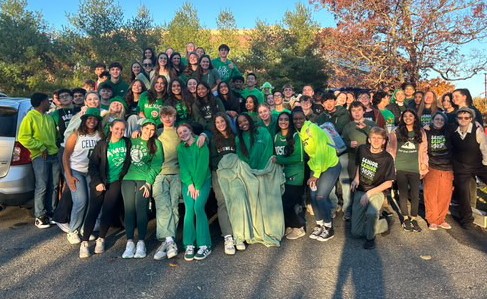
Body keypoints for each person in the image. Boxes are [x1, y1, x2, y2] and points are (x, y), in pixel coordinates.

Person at [79, 119, 131, 258]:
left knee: (108, 210)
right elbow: (93, 165)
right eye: (117, 129)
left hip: (116, 181)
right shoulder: (102, 144)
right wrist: (97, 182)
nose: (119, 132)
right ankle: (84, 242)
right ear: (111, 128)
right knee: (93, 210)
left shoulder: (127, 142)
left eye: (122, 129)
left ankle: (101, 238)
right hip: (100, 180)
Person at [293, 108, 341, 241]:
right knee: (313, 196)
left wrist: (315, 175)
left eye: (300, 118)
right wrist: (314, 172)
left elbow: (320, 152)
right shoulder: (300, 132)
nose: (298, 120)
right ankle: (320, 224)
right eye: (295, 119)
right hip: (316, 167)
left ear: (305, 117)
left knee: (321, 196)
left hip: (330, 165)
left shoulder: (312, 129)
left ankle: (328, 227)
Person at [121, 119, 163, 259]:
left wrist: (149, 182)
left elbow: (157, 164)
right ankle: (129, 242)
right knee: (129, 209)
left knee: (141, 209)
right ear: (142, 128)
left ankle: (141, 242)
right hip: (127, 177)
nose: (149, 132)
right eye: (147, 129)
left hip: (143, 179)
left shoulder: (156, 143)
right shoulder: (133, 140)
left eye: (152, 130)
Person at [18, 92, 60, 228]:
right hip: (40, 157)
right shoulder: (29, 117)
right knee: (42, 186)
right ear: (42, 102)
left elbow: (55, 136)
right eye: (47, 101)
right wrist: (40, 147)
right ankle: (40, 216)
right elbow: (23, 137)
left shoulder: (49, 118)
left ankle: (51, 212)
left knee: (53, 185)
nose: (49, 103)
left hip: (54, 155)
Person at [350, 127, 395, 249]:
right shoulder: (362, 149)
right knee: (355, 233)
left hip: (377, 190)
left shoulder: (387, 158)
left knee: (371, 213)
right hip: (361, 189)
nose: (376, 140)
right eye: (373, 138)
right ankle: (381, 224)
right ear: (369, 139)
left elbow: (388, 183)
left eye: (379, 138)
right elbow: (360, 164)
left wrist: (369, 193)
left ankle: (371, 237)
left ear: (384, 141)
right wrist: (356, 179)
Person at [63, 108, 103, 244]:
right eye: (89, 118)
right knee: (81, 200)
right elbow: (66, 155)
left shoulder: (100, 135)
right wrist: (68, 176)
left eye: (95, 119)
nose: (92, 121)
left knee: (92, 200)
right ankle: (73, 230)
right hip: (76, 170)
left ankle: (84, 229)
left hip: (91, 172)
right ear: (84, 120)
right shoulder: (76, 134)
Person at [386, 109, 428, 232]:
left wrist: (424, 164)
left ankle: (414, 218)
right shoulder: (396, 131)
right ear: (402, 118)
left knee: (415, 195)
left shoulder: (421, 132)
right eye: (405, 116)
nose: (408, 118)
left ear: (415, 118)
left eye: (411, 115)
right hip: (400, 167)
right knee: (403, 194)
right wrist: (391, 166)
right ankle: (405, 218)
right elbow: (390, 149)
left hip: (415, 167)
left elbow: (424, 150)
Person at [177, 123, 213, 261]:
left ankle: (204, 245)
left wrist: (197, 185)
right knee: (189, 210)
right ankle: (189, 244)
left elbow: (203, 166)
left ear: (190, 131)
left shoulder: (200, 143)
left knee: (198, 207)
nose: (183, 134)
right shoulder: (180, 148)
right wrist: (190, 184)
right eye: (180, 133)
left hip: (202, 181)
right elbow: (183, 167)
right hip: (188, 183)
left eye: (184, 131)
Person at [152, 107, 182, 260]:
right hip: (160, 173)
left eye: (171, 116)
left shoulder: (180, 132)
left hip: (177, 173)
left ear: (175, 117)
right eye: (165, 116)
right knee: (162, 205)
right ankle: (170, 241)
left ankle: (167, 241)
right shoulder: (157, 133)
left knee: (173, 204)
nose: (168, 119)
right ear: (161, 117)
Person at [450, 107, 487, 229]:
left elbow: (484, 147)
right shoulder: (453, 130)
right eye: (460, 117)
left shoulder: (477, 130)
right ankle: (467, 220)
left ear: (471, 119)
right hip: (461, 166)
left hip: (479, 164)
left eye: (466, 117)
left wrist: (485, 163)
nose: (463, 120)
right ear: (457, 119)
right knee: (463, 193)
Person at [274, 112, 306, 239]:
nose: (283, 121)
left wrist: (279, 160)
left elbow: (299, 158)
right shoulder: (276, 136)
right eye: (280, 119)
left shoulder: (295, 136)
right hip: (282, 175)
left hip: (296, 174)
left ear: (290, 121)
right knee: (283, 202)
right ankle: (290, 225)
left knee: (286, 203)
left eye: (286, 119)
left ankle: (299, 227)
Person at [209, 113, 239, 254]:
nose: (220, 124)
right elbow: (212, 159)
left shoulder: (235, 137)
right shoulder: (213, 140)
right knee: (223, 202)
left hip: (235, 172)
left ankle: (238, 234)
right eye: (217, 122)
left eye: (222, 121)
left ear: (227, 122)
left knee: (236, 201)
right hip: (219, 173)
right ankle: (228, 236)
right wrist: (224, 166)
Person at [423, 112, 454, 230]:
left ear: (445, 122)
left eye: (442, 119)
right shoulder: (427, 131)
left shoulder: (449, 132)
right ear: (432, 120)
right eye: (437, 118)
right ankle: (432, 220)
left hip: (448, 167)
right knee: (430, 194)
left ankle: (441, 219)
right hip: (432, 166)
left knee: (445, 195)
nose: (439, 121)